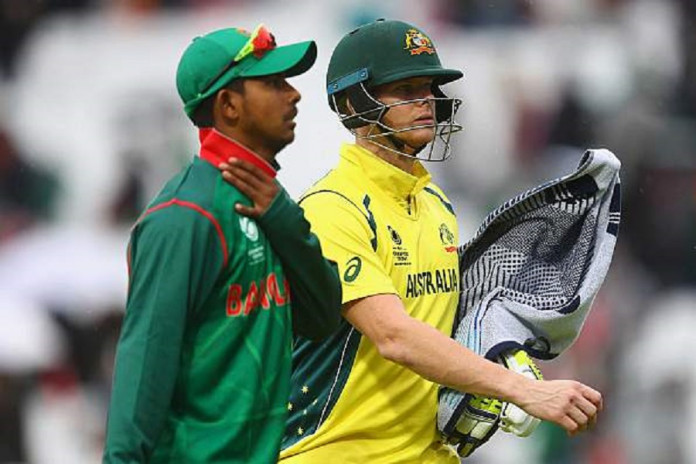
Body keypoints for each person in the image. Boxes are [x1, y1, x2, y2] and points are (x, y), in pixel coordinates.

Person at [273, 19, 602, 463]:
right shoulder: (331, 208)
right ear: (353, 102)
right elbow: (394, 336)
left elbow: (447, 325)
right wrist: (520, 390)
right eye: (405, 90)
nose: (425, 103)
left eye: (428, 88)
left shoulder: (435, 203)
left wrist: (501, 353)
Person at [103, 24, 342, 463]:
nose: (294, 95)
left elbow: (324, 317)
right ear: (228, 105)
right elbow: (143, 368)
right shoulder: (183, 217)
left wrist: (284, 219)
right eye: (273, 83)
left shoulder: (270, 204)